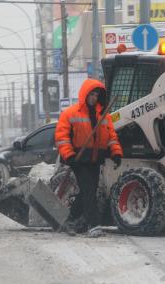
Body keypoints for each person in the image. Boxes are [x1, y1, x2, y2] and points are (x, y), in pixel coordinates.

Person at [55, 79, 123, 237]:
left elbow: (111, 137)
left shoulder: (103, 116)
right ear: (85, 94)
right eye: (91, 94)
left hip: (94, 160)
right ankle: (94, 225)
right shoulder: (70, 113)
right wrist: (69, 155)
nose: (94, 97)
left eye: (96, 95)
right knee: (88, 192)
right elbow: (62, 137)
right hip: (78, 160)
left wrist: (116, 152)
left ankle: (69, 219)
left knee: (88, 191)